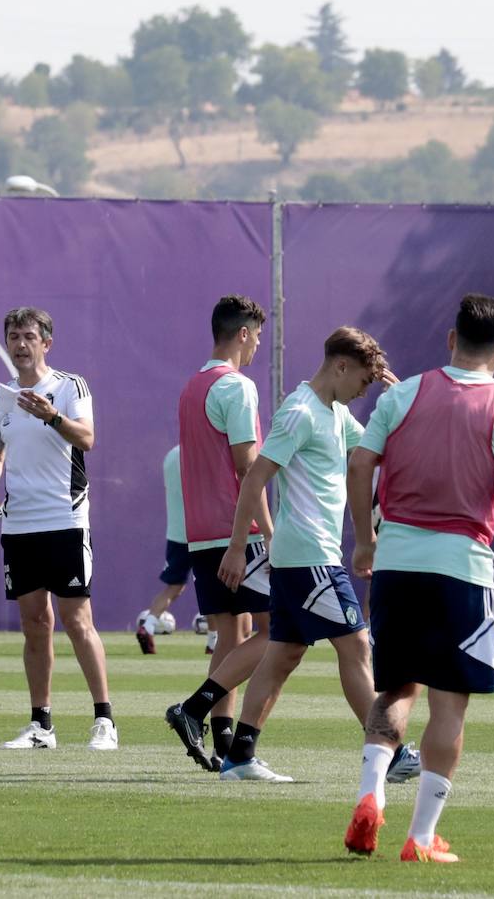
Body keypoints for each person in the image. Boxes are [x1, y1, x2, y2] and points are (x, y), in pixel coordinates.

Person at [343, 294, 494, 863]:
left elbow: (360, 464)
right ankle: (421, 838)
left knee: (396, 688)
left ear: (450, 339)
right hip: (462, 569)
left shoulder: (400, 394)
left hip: (398, 563)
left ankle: (369, 796)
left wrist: (363, 538)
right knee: (449, 702)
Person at [188, 328, 418, 784]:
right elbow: (255, 477)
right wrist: (238, 548)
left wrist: (403, 398)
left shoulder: (333, 413)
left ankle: (240, 756)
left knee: (283, 654)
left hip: (307, 556)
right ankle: (389, 754)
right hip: (310, 555)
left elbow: (380, 447)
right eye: (363, 382)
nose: (364, 391)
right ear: (340, 366)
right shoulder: (300, 412)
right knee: (355, 646)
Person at [0, 307, 117, 750]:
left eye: (29, 336)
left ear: (46, 343)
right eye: (14, 336)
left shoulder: (68, 386)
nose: (21, 344)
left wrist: (51, 415)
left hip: (65, 519)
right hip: (20, 525)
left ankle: (104, 721)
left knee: (78, 621)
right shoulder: (0, 398)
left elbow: (88, 439)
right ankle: (42, 725)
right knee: (35, 623)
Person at [164, 295, 275, 771]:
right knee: (281, 630)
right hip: (239, 530)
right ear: (244, 334)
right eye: (257, 339)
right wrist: (268, 530)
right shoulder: (237, 387)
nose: (256, 350)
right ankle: (194, 709)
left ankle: (226, 744)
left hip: (203, 534)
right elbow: (248, 466)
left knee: (233, 634)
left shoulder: (192, 387)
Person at [136, 445, 213, 654]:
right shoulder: (204, 453)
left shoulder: (171, 455)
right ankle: (214, 641)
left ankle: (149, 624)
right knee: (212, 589)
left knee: (174, 586)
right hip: (204, 532)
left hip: (177, 533)